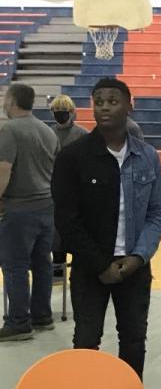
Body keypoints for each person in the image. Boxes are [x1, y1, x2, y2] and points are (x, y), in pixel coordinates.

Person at [52, 77, 161, 389]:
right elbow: (67, 221)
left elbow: (155, 214)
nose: (103, 107)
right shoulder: (74, 156)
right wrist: (100, 264)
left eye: (112, 101)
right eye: (98, 101)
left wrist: (137, 258)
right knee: (87, 341)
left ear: (128, 106)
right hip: (90, 269)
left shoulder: (147, 156)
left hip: (134, 267)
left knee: (134, 340)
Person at [0, 83, 58, 341]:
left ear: (12, 100)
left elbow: (3, 170)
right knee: (42, 263)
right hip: (46, 206)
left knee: (15, 266)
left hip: (18, 208)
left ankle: (18, 321)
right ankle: (42, 315)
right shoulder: (48, 131)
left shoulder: (8, 130)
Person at [48, 94, 88, 270]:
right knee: (56, 232)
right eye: (56, 111)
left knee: (78, 229)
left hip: (78, 190)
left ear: (72, 112)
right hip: (54, 189)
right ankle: (58, 266)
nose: (60, 114)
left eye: (63, 111)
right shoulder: (47, 134)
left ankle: (80, 268)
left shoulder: (82, 135)